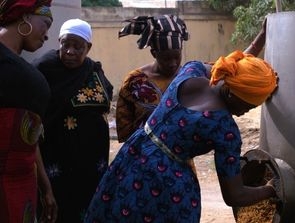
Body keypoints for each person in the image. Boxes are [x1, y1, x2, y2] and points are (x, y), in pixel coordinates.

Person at [83, 20, 279, 223]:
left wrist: (258, 43)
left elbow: (230, 68)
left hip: (134, 155)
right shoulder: (225, 129)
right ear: (231, 93)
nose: (244, 113)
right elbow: (234, 196)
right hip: (165, 182)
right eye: (247, 105)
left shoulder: (191, 70)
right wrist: (270, 189)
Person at [32, 18, 114, 223]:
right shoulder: (44, 68)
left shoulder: (93, 69)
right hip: (57, 160)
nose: (70, 51)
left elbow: (106, 95)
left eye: (78, 47)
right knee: (57, 209)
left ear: (89, 47)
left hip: (91, 163)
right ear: (58, 41)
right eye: (65, 44)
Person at [0, 0, 57, 223]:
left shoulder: (17, 65)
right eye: (45, 24)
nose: (46, 36)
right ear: (25, 17)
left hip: (23, 185)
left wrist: (45, 186)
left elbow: (29, 137)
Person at [116, 14, 189, 143]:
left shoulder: (188, 78)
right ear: (153, 53)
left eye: (177, 57)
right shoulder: (135, 82)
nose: (172, 63)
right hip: (141, 155)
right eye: (166, 58)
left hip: (180, 158)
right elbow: (124, 130)